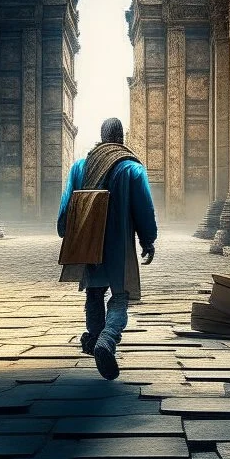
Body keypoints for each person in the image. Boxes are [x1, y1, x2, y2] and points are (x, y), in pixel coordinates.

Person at [57, 117, 158, 380]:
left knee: (93, 293)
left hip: (88, 240)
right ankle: (107, 340)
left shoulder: (80, 166)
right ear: (121, 138)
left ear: (102, 138)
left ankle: (95, 339)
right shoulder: (131, 169)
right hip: (118, 243)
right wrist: (148, 239)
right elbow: (144, 209)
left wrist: (66, 233)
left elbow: (67, 207)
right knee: (120, 297)